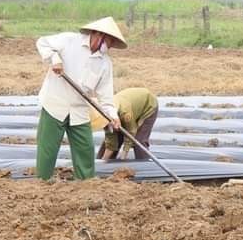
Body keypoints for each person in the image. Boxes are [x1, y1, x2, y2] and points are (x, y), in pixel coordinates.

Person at [35, 17, 127, 180]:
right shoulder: (69, 41)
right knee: (47, 151)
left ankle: (86, 186)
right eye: (109, 41)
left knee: (85, 150)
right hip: (55, 103)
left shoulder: (105, 63)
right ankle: (42, 185)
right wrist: (55, 60)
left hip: (79, 109)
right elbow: (42, 42)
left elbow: (106, 97)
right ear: (98, 34)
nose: (110, 46)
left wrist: (113, 116)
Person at [93, 87, 158, 161]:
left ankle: (144, 166)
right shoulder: (104, 114)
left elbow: (131, 132)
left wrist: (124, 155)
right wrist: (103, 161)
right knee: (114, 138)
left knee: (139, 140)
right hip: (128, 109)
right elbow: (110, 138)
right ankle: (100, 165)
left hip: (148, 105)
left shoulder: (125, 113)